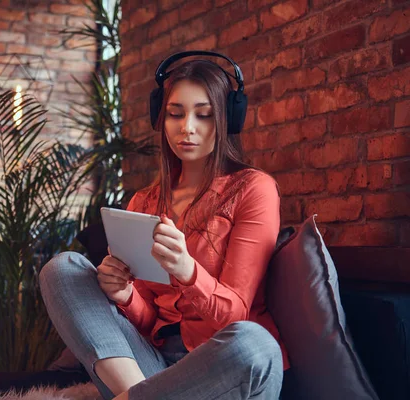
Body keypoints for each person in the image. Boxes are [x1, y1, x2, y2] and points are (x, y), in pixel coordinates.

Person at [40, 52, 288, 400]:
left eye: (203, 115)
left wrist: (188, 271)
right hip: (151, 371)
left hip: (220, 367)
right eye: (175, 114)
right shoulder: (144, 202)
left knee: (256, 344)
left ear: (226, 119)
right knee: (63, 268)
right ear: (162, 117)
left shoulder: (252, 189)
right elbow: (147, 319)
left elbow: (235, 317)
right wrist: (124, 294)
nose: (187, 127)